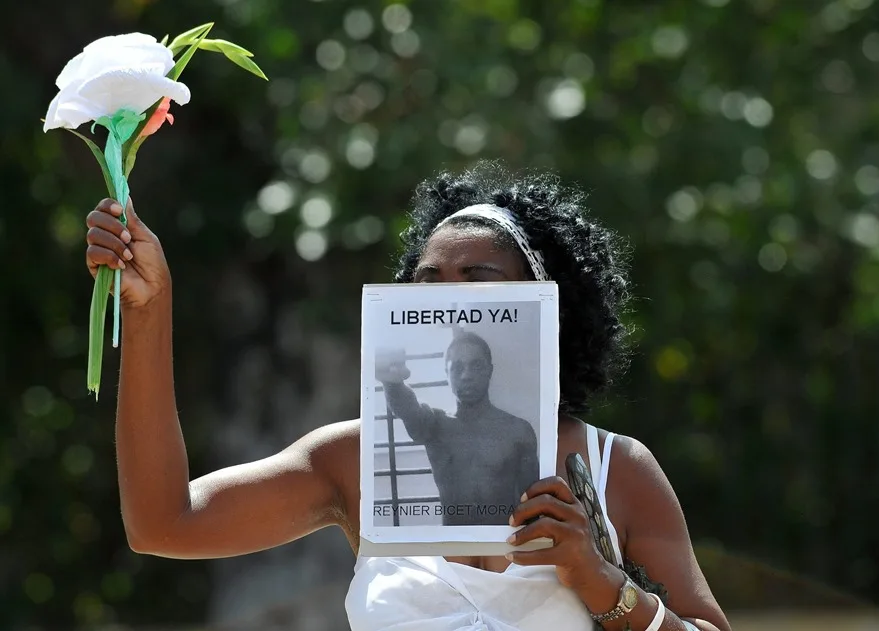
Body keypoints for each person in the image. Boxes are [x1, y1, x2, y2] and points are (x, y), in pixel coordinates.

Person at [84, 161, 731, 631]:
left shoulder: (616, 470)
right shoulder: (354, 457)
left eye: (478, 277)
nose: (449, 298)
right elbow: (162, 522)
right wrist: (148, 310)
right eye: (428, 281)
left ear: (546, 306)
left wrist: (602, 583)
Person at [375, 332, 539, 526]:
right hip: (452, 549)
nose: (467, 375)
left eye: (476, 366)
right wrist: (392, 382)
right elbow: (408, 409)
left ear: (490, 370)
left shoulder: (518, 431)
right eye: (457, 367)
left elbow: (532, 508)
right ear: (447, 373)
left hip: (504, 545)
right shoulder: (435, 425)